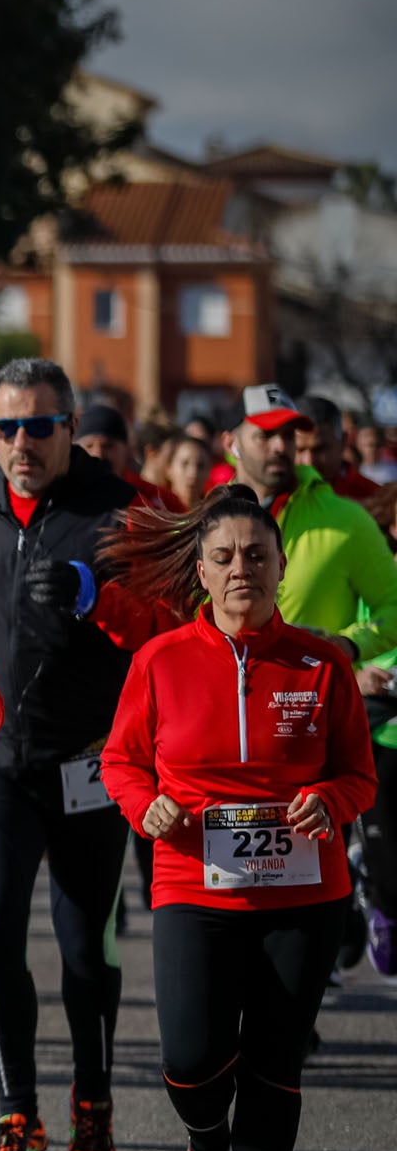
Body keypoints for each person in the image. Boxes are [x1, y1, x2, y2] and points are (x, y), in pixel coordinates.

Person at [99, 491, 377, 1151]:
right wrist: (143, 805)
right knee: (192, 1057)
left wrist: (330, 800)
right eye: (223, 557)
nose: (240, 569)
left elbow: (359, 775)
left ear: (282, 566)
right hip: (194, 885)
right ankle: (203, 1146)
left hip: (303, 896)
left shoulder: (321, 664)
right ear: (201, 571)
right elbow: (121, 761)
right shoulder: (161, 660)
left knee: (274, 1063)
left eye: (257, 555)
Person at [0, 358, 177, 1151]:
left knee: (85, 947)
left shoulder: (122, 511)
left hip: (87, 761)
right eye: (5, 427)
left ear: (70, 428)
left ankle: (94, 1100)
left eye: (39, 426)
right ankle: (16, 1114)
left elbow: (170, 630)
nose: (22, 443)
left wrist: (95, 596)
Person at [223, 385, 397, 976]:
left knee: (300, 885)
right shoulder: (204, 523)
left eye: (288, 434)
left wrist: (346, 647)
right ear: (232, 442)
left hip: (311, 730)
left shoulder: (346, 520)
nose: (280, 447)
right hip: (222, 732)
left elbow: (394, 607)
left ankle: (303, 979)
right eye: (265, 434)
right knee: (231, 890)